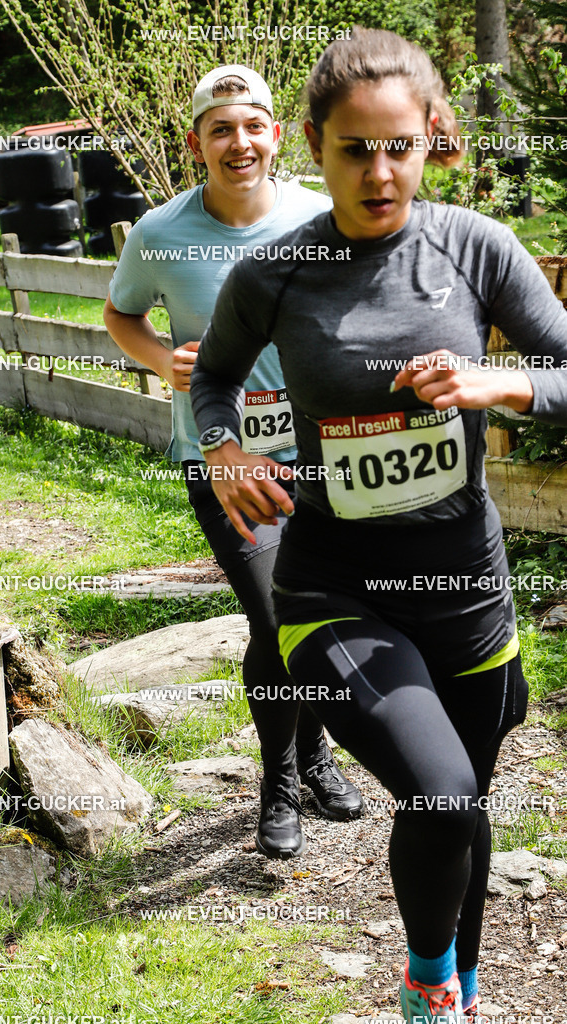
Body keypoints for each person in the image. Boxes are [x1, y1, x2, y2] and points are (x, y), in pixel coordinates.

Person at [190, 28, 567, 1024]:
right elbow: (215, 381)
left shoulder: (475, 246)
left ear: (432, 137)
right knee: (441, 791)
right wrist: (224, 454)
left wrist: (506, 382)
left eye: (399, 145)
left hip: (468, 596)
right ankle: (424, 981)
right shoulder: (274, 272)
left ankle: (456, 994)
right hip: (332, 593)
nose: (378, 170)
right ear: (313, 143)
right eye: (353, 148)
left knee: (464, 812)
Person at [102, 65, 365, 860]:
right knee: (276, 616)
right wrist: (159, 360)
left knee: (315, 613)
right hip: (221, 457)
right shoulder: (160, 234)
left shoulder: (324, 215)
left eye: (253, 126)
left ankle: (316, 758)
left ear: (278, 137)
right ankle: (279, 781)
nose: (239, 142)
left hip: (322, 451)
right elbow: (120, 312)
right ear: (197, 144)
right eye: (221, 129)